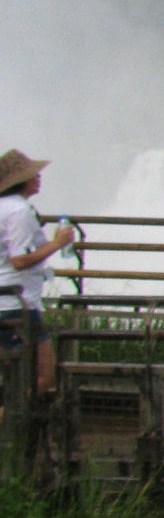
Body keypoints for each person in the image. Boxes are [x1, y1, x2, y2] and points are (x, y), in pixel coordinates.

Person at [0, 149, 79, 394]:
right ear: (22, 180)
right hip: (16, 304)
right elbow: (20, 260)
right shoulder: (19, 211)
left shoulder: (5, 207)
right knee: (41, 378)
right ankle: (12, 427)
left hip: (9, 301)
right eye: (35, 174)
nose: (39, 177)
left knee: (15, 379)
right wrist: (58, 242)